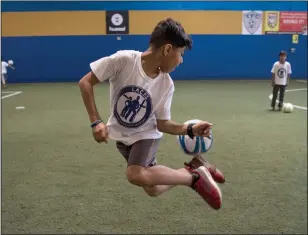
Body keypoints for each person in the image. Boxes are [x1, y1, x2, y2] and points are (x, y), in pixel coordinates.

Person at [79, 18, 225, 210]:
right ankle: (193, 168)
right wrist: (95, 121)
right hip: (123, 139)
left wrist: (190, 129)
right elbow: (85, 83)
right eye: (180, 54)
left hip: (146, 136)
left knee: (135, 174)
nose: (181, 60)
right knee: (153, 188)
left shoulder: (166, 84)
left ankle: (194, 178)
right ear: (167, 50)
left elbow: (163, 124)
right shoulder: (124, 61)